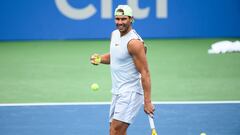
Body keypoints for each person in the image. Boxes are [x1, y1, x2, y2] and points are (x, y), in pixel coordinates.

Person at [90, 5, 155, 135]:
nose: (120, 22)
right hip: (117, 91)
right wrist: (100, 59)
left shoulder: (134, 43)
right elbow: (116, 56)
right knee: (115, 130)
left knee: (115, 131)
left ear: (131, 19)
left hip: (130, 92)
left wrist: (147, 101)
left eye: (123, 19)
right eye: (117, 19)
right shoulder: (114, 34)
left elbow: (145, 73)